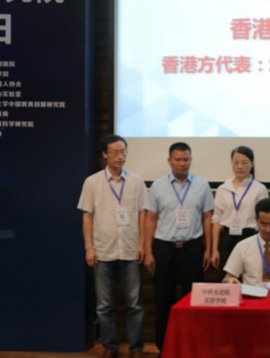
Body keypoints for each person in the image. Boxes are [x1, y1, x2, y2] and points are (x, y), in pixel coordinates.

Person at [77, 135, 147, 358]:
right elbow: (87, 216)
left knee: (135, 304)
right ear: (105, 154)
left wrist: (143, 243)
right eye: (115, 152)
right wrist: (89, 247)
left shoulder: (136, 181)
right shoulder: (92, 182)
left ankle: (136, 348)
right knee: (104, 305)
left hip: (130, 249)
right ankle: (110, 346)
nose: (120, 156)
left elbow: (143, 214)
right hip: (102, 250)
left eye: (123, 152)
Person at [143, 142, 214, 352]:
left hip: (192, 249)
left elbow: (208, 217)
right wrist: (148, 251)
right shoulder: (158, 186)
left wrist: (209, 249)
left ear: (191, 160)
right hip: (164, 249)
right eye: (178, 159)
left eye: (186, 159)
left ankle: (193, 347)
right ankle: (164, 347)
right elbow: (150, 219)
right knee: (163, 300)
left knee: (194, 300)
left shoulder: (202, 185)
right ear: (169, 161)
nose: (182, 163)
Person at [210, 146, 269, 279]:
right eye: (235, 162)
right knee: (227, 279)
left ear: (252, 163)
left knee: (250, 278)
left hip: (250, 237)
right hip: (227, 239)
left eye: (244, 162)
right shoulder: (223, 188)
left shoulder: (259, 189)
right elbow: (216, 221)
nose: (240, 166)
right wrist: (214, 250)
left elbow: (264, 221)